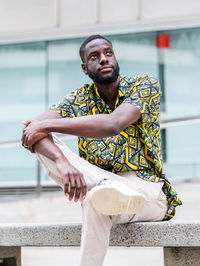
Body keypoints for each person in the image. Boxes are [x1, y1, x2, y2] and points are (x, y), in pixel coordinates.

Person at [21, 34, 182, 266]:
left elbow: (113, 124)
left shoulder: (144, 85)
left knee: (95, 200)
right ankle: (105, 187)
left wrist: (46, 124)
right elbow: (29, 132)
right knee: (96, 195)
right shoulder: (78, 98)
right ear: (85, 68)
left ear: (115, 58)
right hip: (100, 184)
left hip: (147, 192)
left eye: (108, 53)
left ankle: (106, 189)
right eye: (95, 57)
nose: (104, 59)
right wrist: (62, 161)